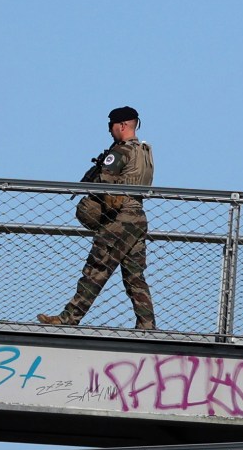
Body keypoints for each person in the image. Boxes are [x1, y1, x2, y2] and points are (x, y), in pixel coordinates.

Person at [38, 107, 158, 330]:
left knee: (96, 270)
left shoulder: (120, 152)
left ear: (121, 126)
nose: (110, 131)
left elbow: (105, 182)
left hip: (119, 219)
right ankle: (147, 324)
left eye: (111, 126)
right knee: (134, 276)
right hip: (138, 217)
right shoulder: (144, 152)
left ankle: (69, 318)